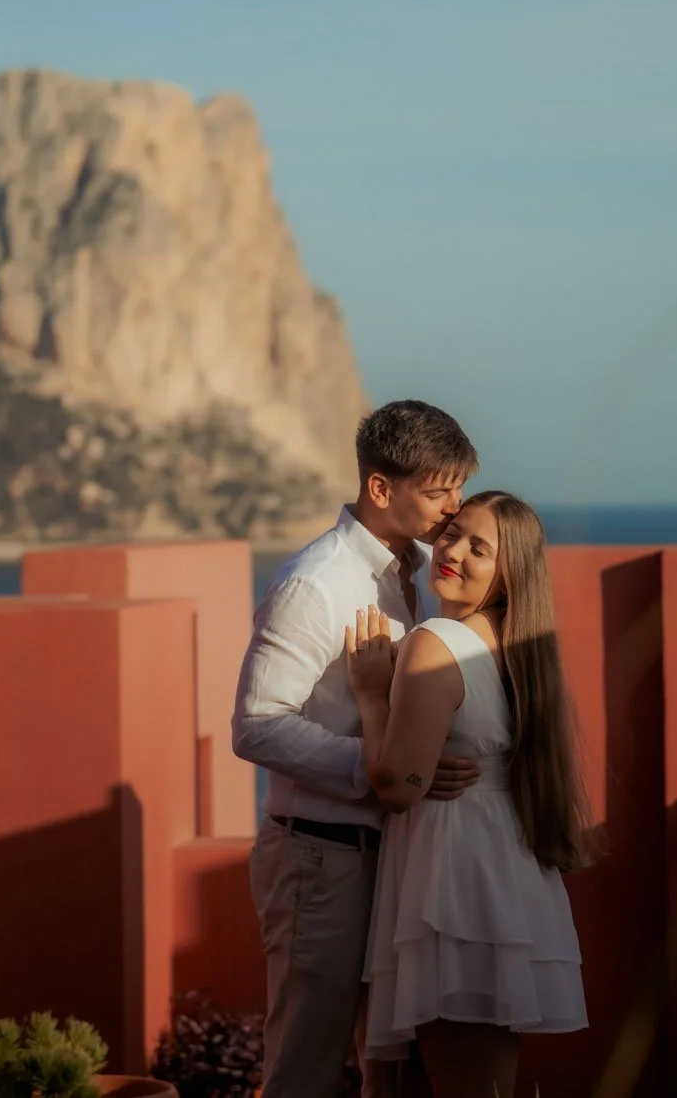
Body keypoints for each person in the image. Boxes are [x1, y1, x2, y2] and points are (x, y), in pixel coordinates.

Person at [232, 400, 486, 1098]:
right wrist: (380, 770)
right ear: (380, 487)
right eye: (438, 492)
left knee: (393, 1070)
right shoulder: (314, 584)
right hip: (323, 859)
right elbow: (257, 724)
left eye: (458, 490)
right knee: (306, 1068)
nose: (454, 509)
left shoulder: (423, 573)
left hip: (401, 856)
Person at [346, 490, 594, 1098]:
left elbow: (397, 787)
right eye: (453, 533)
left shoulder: (437, 642)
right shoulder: (517, 648)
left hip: (452, 880)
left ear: (507, 574)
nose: (452, 551)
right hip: (500, 867)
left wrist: (372, 696)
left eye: (478, 548)